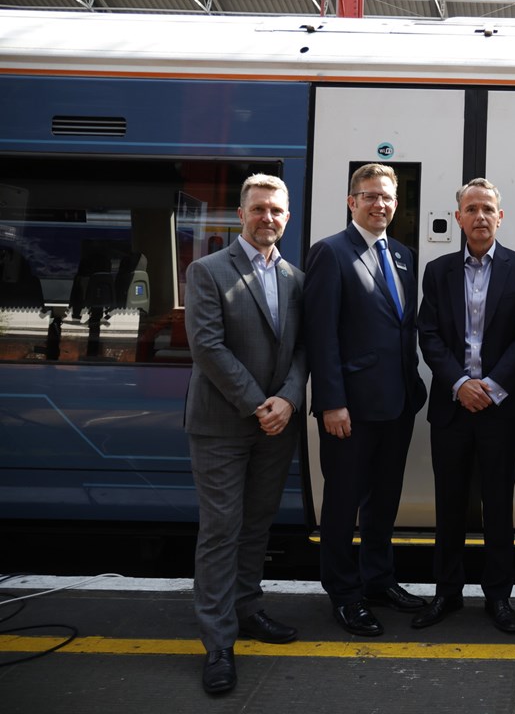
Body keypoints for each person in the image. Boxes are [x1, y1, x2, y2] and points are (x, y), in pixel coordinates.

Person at [183, 174, 306, 694]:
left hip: (276, 424)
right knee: (221, 531)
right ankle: (218, 643)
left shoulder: (296, 278)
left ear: (287, 217)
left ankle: (248, 608)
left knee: (257, 526)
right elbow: (207, 347)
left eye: (276, 211)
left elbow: (304, 349)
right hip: (222, 424)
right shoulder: (207, 271)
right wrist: (261, 404)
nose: (268, 218)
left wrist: (289, 399)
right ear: (240, 214)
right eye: (258, 209)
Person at [304, 163, 428, 637]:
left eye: (388, 198)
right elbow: (322, 335)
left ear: (396, 205)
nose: (380, 204)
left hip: (396, 405)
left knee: (383, 502)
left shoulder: (401, 255)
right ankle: (344, 593)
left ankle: (378, 580)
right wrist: (331, 402)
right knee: (342, 503)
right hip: (349, 411)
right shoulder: (330, 253)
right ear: (351, 201)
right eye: (370, 196)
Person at [415, 177, 515, 633]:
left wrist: (487, 386)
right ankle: (446, 593)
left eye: (488, 208)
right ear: (459, 217)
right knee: (448, 504)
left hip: (500, 407)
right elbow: (428, 333)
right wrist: (459, 383)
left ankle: (498, 597)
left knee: (497, 504)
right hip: (452, 406)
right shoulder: (438, 270)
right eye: (472, 208)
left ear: (500, 216)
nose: (480, 216)